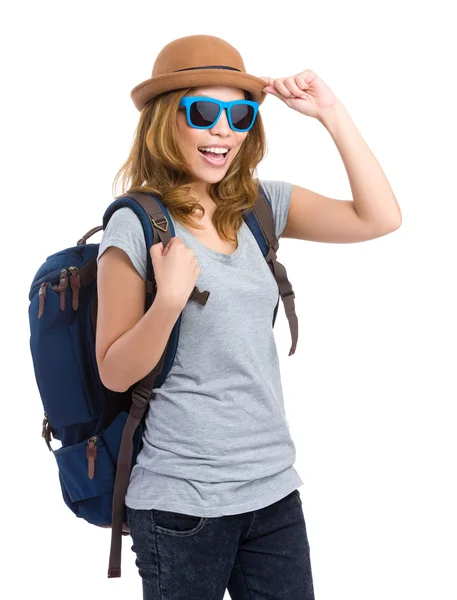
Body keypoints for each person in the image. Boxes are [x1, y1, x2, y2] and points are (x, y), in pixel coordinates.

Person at [95, 31, 401, 600]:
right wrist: (167, 302)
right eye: (204, 111)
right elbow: (114, 370)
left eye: (238, 116)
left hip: (273, 491)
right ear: (168, 120)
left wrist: (330, 113)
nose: (223, 130)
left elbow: (379, 217)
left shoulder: (261, 206)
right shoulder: (137, 225)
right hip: (183, 506)